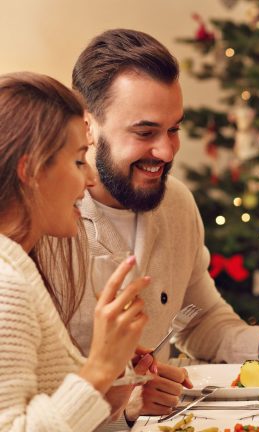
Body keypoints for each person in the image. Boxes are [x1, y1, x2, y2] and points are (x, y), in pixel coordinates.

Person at [67, 29, 259, 420]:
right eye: (145, 132)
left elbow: (199, 317)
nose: (167, 151)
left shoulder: (176, 202)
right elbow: (25, 388)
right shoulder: (49, 221)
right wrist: (122, 405)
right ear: (88, 126)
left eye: (174, 129)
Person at [0, 72, 151, 431]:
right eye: (79, 160)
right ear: (31, 171)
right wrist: (98, 366)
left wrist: (113, 372)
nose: (90, 179)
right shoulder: (7, 287)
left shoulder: (18, 266)